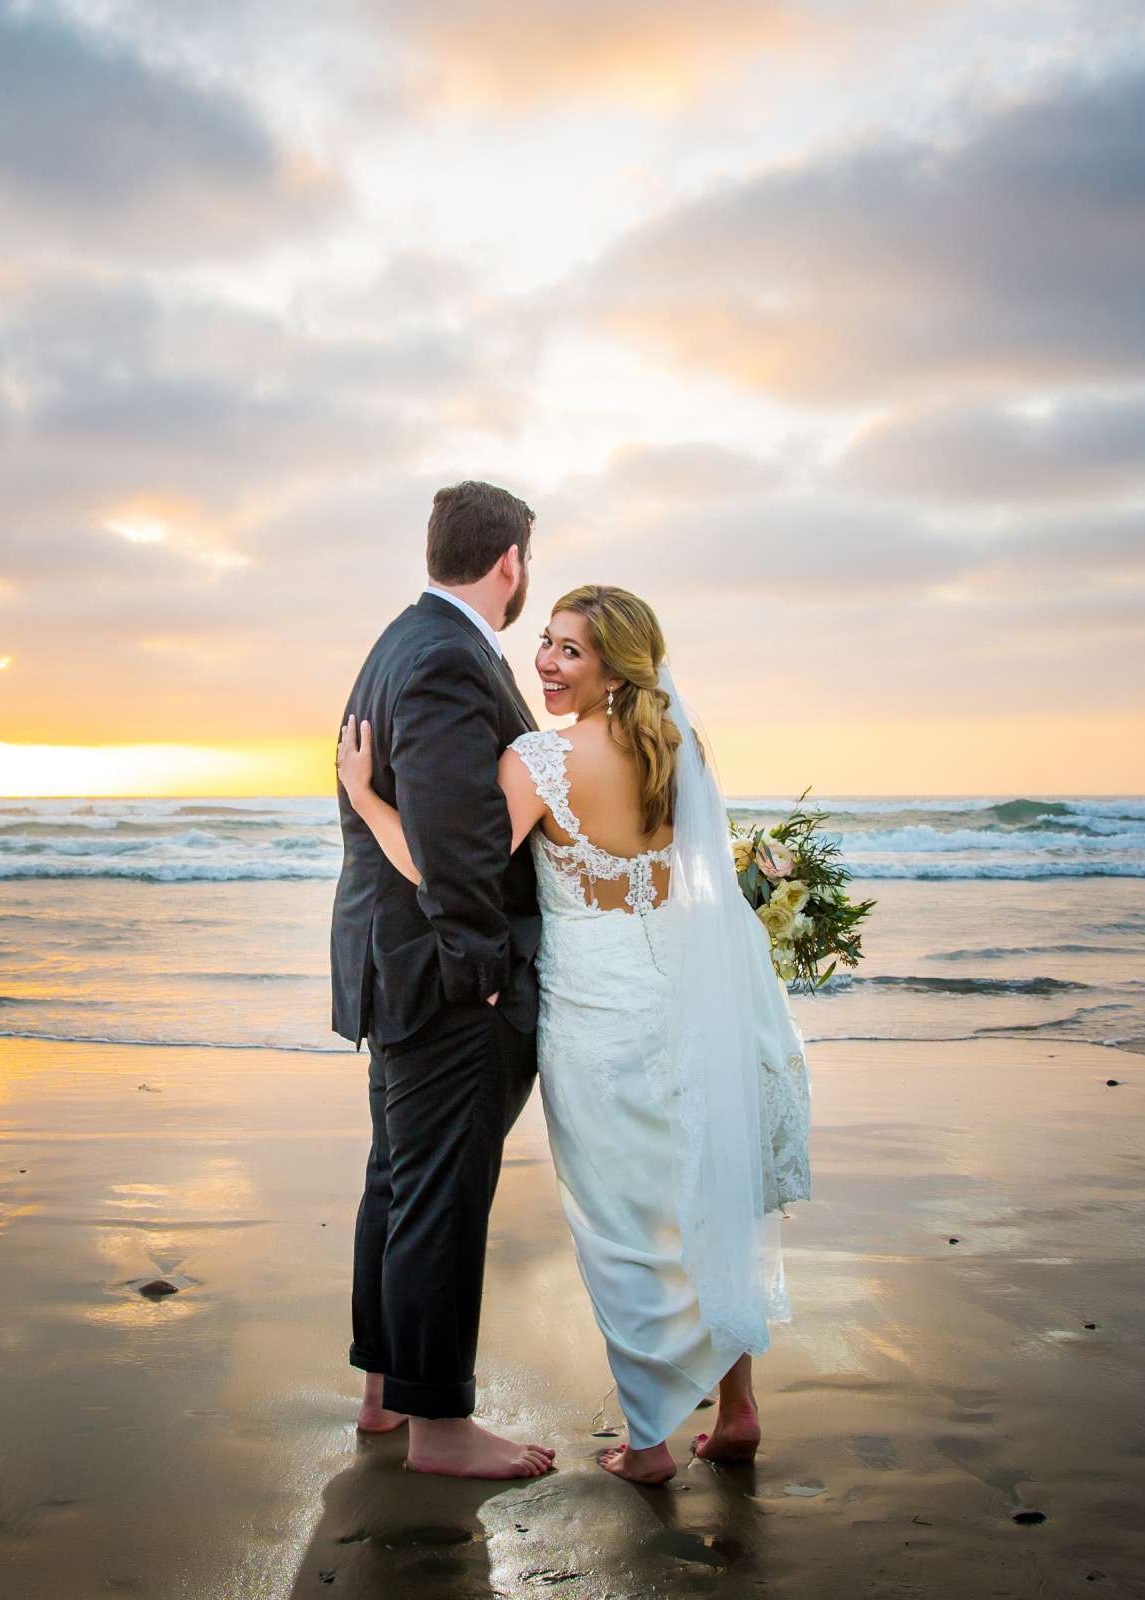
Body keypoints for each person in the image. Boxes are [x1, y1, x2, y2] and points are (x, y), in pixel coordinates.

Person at [340, 583, 810, 1485]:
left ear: (613, 668)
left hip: (597, 1013)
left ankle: (649, 1445)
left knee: (622, 1221)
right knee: (700, 1186)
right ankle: (739, 1407)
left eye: (570, 652)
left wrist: (366, 799)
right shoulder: (681, 748)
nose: (547, 664)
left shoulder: (538, 762)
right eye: (547, 643)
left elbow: (451, 871)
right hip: (682, 993)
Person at [328, 480, 555, 1479]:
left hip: (397, 961)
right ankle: (438, 1425)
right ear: (509, 561)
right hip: (443, 975)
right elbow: (455, 846)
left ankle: (385, 1390)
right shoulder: (447, 661)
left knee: (399, 1178)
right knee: (439, 1193)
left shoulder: (399, 643)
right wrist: (487, 974)